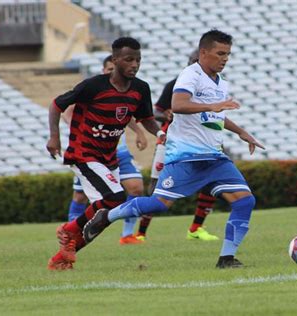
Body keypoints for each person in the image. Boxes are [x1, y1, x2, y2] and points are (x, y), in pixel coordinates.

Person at [83, 29, 265, 269]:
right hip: (186, 157)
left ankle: (226, 258)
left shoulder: (221, 83)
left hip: (214, 157)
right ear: (203, 52)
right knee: (158, 204)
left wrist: (240, 131)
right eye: (220, 53)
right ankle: (107, 216)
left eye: (228, 54)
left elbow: (213, 115)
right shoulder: (190, 75)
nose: (225, 59)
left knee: (245, 201)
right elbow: (177, 105)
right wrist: (214, 104)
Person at [46, 37, 164, 270]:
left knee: (107, 212)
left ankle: (64, 256)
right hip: (83, 153)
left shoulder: (140, 88)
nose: (135, 64)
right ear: (116, 59)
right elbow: (56, 104)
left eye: (138, 60)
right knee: (116, 198)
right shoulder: (93, 86)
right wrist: (54, 137)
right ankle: (69, 229)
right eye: (129, 59)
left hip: (109, 157)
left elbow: (147, 119)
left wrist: (160, 134)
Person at [128, 49, 219, 244]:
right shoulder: (177, 84)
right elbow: (155, 112)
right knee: (156, 188)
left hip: (201, 143)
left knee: (211, 182)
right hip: (172, 143)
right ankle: (141, 232)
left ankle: (196, 228)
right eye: (194, 61)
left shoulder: (212, 87)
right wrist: (166, 116)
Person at [63, 55, 150, 245]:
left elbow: (127, 115)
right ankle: (71, 232)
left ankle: (127, 235)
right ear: (104, 70)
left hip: (119, 153)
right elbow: (67, 111)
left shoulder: (128, 91)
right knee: (80, 195)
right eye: (109, 69)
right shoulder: (94, 88)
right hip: (91, 153)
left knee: (136, 188)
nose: (113, 72)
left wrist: (139, 132)